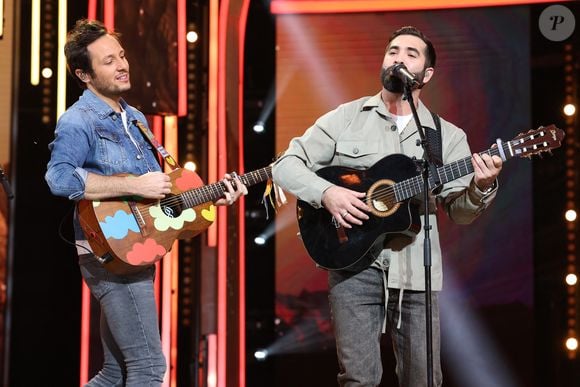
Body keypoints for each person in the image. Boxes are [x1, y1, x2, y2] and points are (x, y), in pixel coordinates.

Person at [272, 26, 503, 386]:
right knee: (359, 381)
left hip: (416, 274)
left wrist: (481, 185)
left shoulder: (447, 137)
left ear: (426, 75)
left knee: (423, 380)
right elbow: (285, 164)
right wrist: (327, 194)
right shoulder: (346, 117)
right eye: (393, 50)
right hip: (352, 266)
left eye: (411, 53)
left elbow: (459, 211)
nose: (398, 57)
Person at [45, 19, 247, 386]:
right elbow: (58, 179)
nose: (122, 64)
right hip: (108, 251)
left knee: (115, 373)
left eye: (121, 56)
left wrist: (212, 198)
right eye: (108, 61)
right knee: (149, 369)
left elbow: (161, 195)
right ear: (84, 74)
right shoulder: (78, 120)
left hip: (137, 249)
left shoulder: (135, 119)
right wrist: (134, 183)